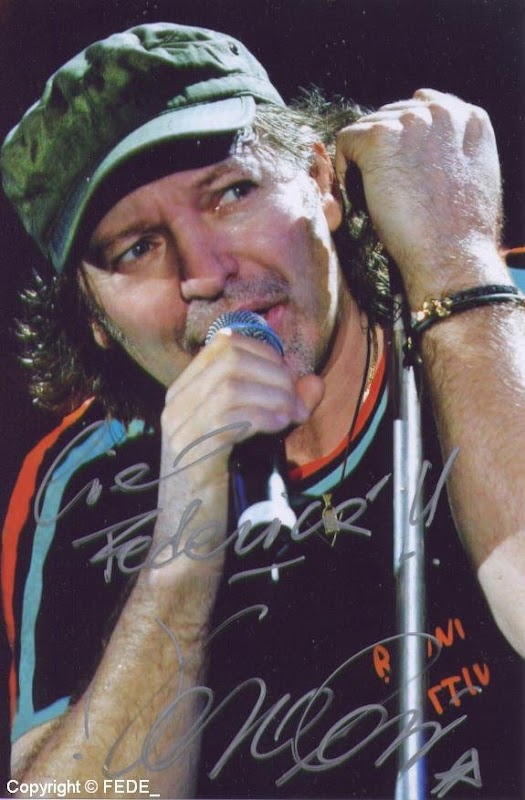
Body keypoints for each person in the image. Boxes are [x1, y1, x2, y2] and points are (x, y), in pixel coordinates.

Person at [1, 21, 524, 800]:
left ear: (320, 180)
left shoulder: (498, 324)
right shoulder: (84, 484)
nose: (205, 272)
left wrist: (455, 267)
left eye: (232, 193)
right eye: (136, 247)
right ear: (94, 319)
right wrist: (183, 535)